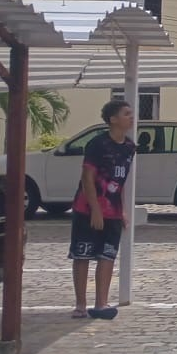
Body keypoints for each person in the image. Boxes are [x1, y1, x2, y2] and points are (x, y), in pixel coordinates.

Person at [69, 100, 136, 320]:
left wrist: (122, 210)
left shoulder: (129, 147)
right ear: (113, 119)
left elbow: (120, 182)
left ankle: (101, 303)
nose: (131, 117)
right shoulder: (97, 144)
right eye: (126, 114)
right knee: (83, 254)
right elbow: (87, 178)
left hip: (113, 211)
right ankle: (80, 304)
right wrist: (95, 210)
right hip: (87, 209)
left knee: (107, 255)